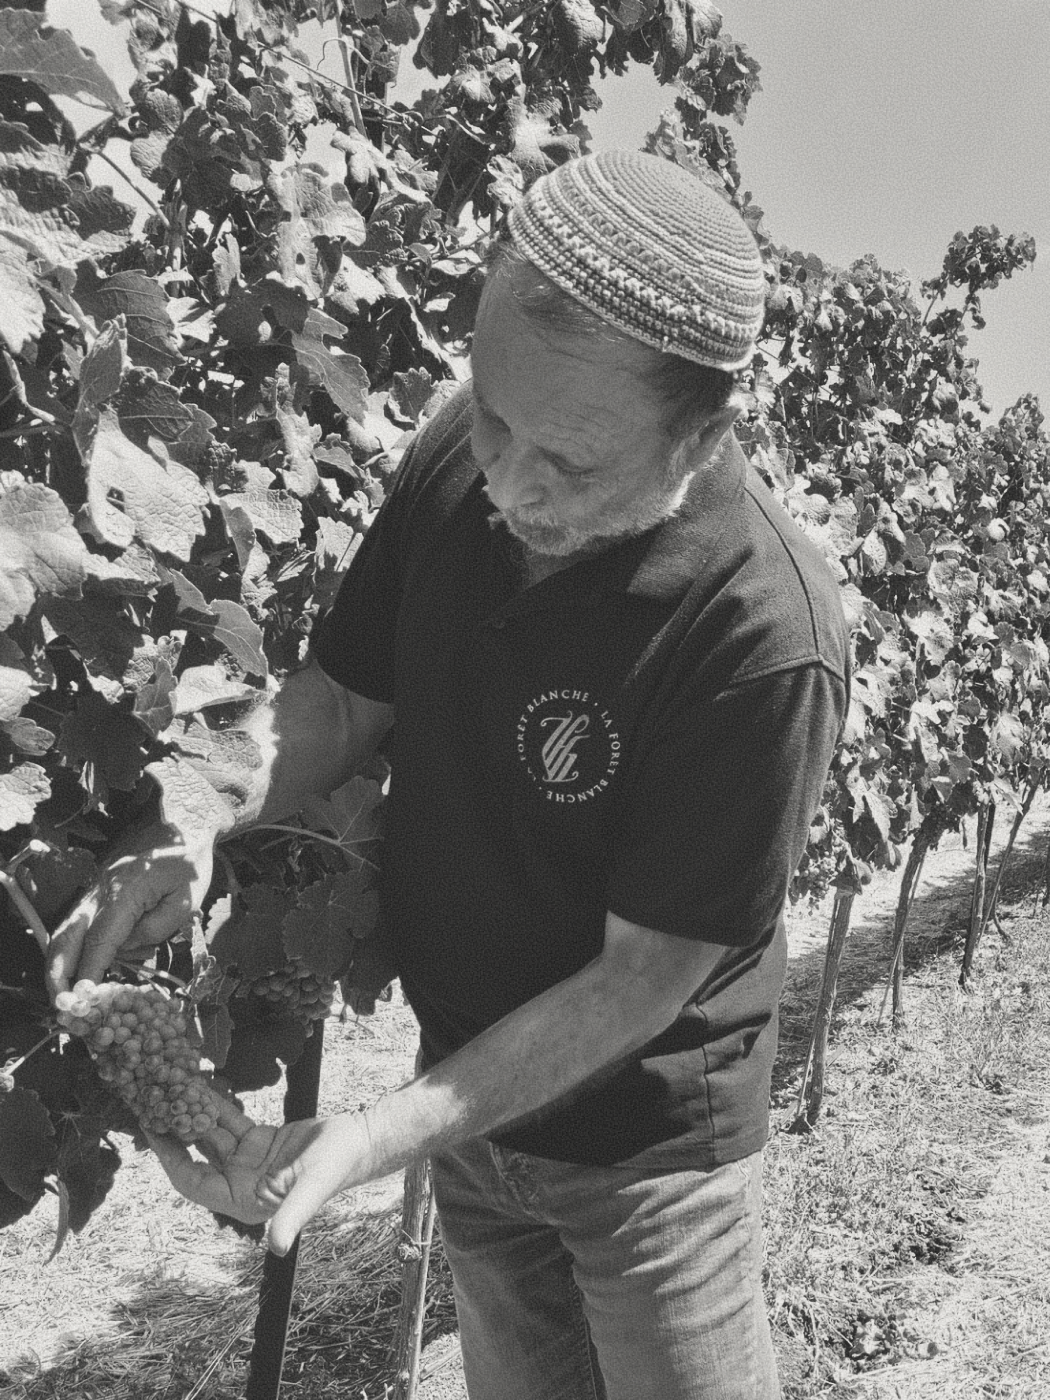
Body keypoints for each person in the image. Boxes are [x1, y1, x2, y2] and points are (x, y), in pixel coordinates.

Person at [47, 150, 848, 1400]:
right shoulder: (459, 462)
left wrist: (371, 1132)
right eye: (488, 414)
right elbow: (349, 697)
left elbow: (643, 978)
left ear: (701, 433)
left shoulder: (761, 636)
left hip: (650, 1161)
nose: (509, 482)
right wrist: (199, 807)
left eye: (570, 464)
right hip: (467, 1110)